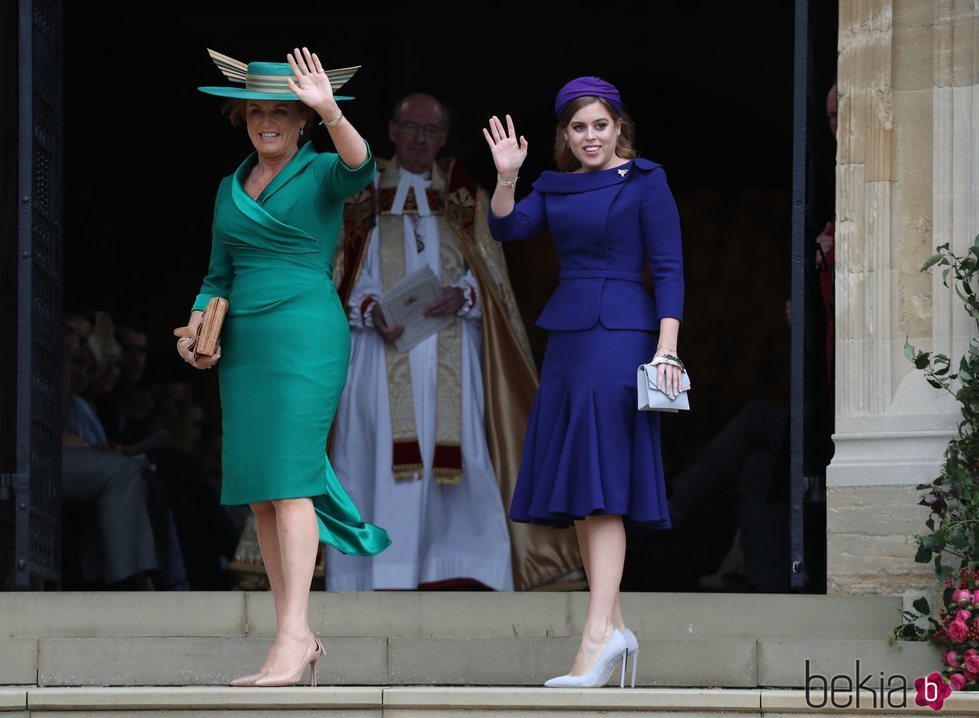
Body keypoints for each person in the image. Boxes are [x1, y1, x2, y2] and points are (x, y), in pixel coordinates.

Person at [178, 47, 390, 687]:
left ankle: (294, 636)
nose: (266, 122)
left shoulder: (325, 168)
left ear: (301, 120)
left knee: (292, 479)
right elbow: (217, 276)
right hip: (244, 344)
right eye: (256, 112)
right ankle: (294, 633)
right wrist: (196, 333)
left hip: (304, 333)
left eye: (281, 112)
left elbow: (364, 168)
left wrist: (330, 110)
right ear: (243, 118)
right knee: (264, 494)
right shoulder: (228, 187)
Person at [328, 93, 580, 591]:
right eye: (410, 127)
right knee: (369, 458)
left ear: (444, 138)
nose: (420, 138)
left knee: (460, 460)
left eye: (431, 130)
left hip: (451, 353)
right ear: (392, 130)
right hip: (374, 353)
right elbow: (337, 268)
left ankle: (461, 568)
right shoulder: (358, 192)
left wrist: (463, 293)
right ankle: (370, 573)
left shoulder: (466, 195)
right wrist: (366, 306)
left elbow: (491, 278)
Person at [484, 77, 684, 687]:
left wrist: (667, 350)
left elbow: (670, 269)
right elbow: (507, 230)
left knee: (602, 485)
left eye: (600, 124)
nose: (590, 136)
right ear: (564, 136)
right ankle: (615, 628)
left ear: (618, 126)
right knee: (580, 482)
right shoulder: (554, 185)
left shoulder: (648, 180)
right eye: (578, 127)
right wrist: (508, 175)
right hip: (569, 340)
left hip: (623, 339)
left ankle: (595, 640)